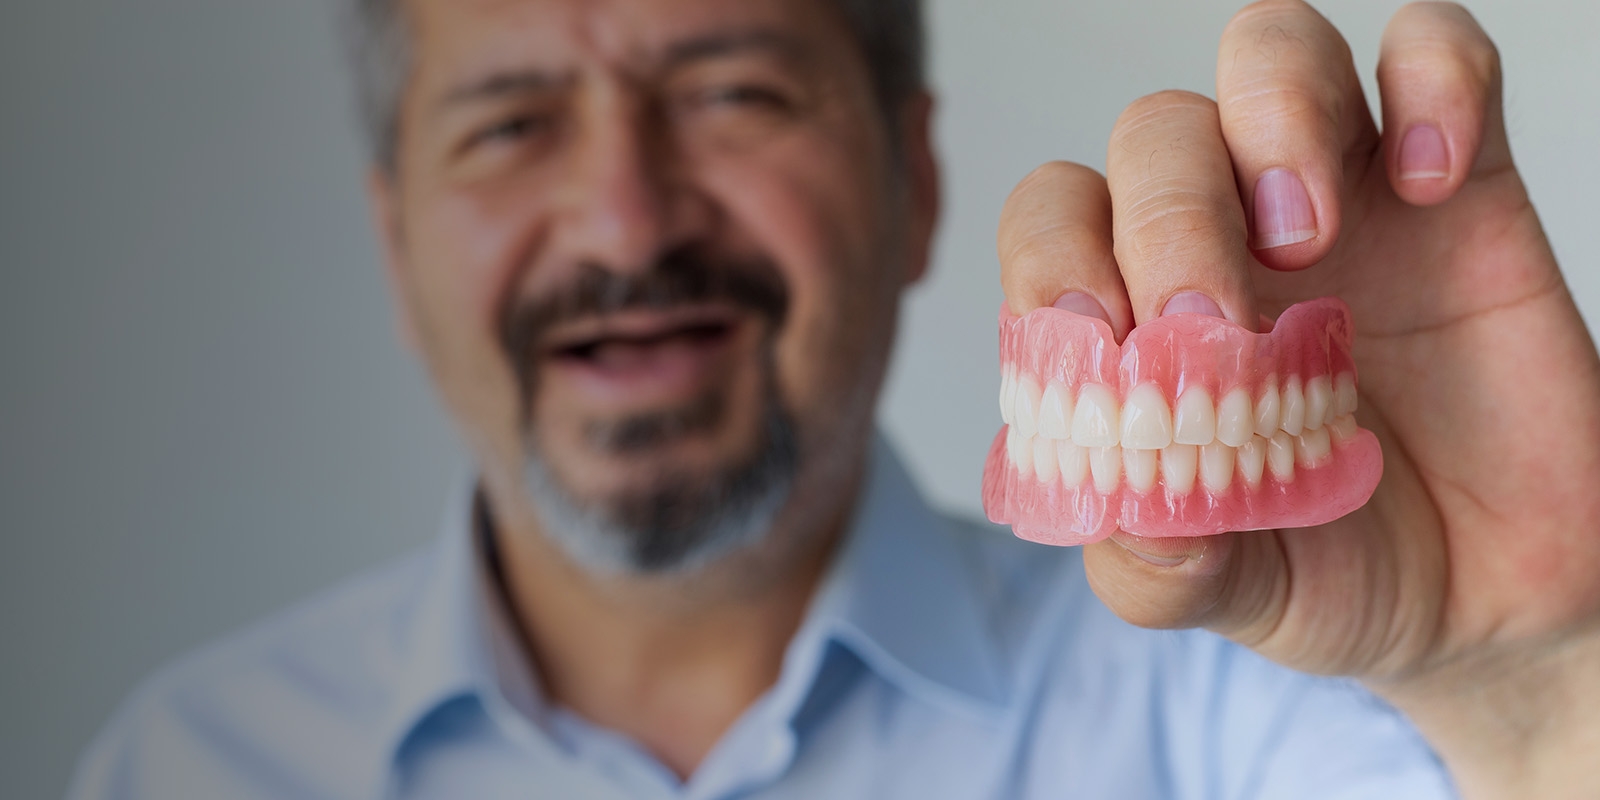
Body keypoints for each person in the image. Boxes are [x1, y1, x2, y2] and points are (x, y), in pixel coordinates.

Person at [68, 0, 1600, 797]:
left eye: (735, 94)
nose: (625, 217)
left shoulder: (1259, 715)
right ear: (396, 245)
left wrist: (1532, 695)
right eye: (511, 123)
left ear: (914, 181)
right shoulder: (180, 773)